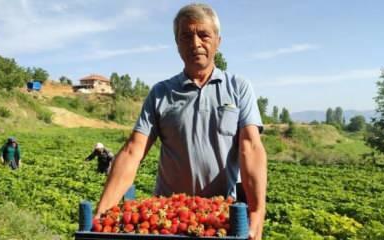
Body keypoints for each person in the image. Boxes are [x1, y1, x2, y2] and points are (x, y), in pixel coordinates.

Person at [96, 3, 267, 239]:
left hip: (219, 217)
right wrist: (102, 212)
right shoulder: (161, 93)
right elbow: (132, 151)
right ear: (177, 44)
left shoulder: (238, 88)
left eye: (203, 35)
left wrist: (257, 212)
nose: (195, 43)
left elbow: (251, 147)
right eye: (186, 36)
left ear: (218, 40)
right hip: (168, 218)